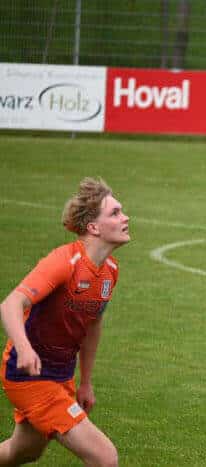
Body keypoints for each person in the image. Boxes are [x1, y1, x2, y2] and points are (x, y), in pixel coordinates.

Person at [0, 177, 130, 467]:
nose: (126, 217)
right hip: (29, 378)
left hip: (60, 376)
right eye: (115, 213)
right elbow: (10, 304)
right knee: (104, 457)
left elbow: (93, 325)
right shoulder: (64, 262)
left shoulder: (110, 271)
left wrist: (85, 382)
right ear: (94, 227)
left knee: (22, 452)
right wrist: (24, 348)